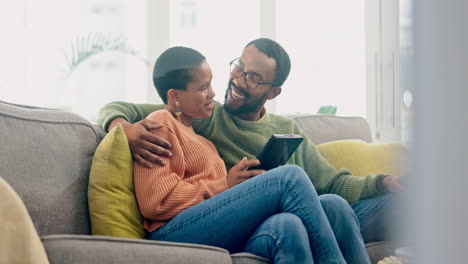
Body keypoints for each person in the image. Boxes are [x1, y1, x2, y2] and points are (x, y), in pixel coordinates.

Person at [97, 38, 403, 243]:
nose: (239, 82)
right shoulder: (206, 114)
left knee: (343, 204)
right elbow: (125, 108)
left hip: (296, 211)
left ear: (273, 92)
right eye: (239, 68)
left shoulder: (287, 129)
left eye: (254, 78)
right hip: (240, 216)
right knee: (291, 181)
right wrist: (123, 128)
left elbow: (333, 183)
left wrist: (382, 181)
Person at [133, 46, 370, 263]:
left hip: (205, 225)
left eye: (212, 84)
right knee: (289, 178)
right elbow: (156, 203)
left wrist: (232, 185)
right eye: (203, 88)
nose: (213, 94)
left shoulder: (202, 138)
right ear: (175, 97)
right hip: (170, 232)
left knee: (310, 215)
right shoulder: (160, 124)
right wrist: (224, 185)